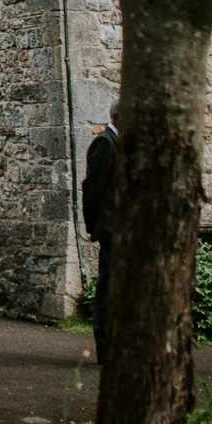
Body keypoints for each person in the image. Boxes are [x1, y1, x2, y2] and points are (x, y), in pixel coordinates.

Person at [82, 100, 118, 366]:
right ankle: (106, 350)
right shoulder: (104, 143)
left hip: (123, 228)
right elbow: (93, 187)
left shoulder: (121, 144)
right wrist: (91, 225)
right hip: (110, 226)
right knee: (107, 289)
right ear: (117, 116)